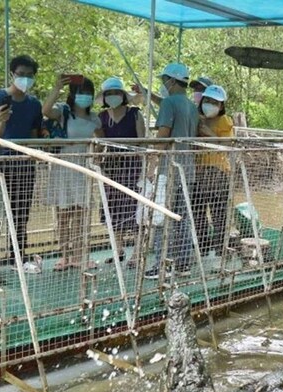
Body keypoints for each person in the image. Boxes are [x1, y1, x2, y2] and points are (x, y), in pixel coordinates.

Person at [144, 62, 199, 279]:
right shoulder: (190, 106)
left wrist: (152, 162)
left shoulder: (169, 103)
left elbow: (164, 134)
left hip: (169, 168)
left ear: (172, 81)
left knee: (160, 218)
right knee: (182, 217)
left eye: (164, 80)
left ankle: (161, 265)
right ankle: (184, 264)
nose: (162, 84)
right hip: (187, 167)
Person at [42, 75, 103, 270]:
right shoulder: (63, 111)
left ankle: (78, 255)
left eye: (88, 93)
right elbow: (45, 111)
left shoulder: (94, 118)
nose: (84, 96)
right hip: (62, 167)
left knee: (80, 214)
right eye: (80, 92)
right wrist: (57, 88)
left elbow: (101, 139)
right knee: (63, 214)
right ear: (73, 94)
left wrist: (98, 154)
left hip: (82, 168)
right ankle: (64, 256)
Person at [0, 55, 44, 274]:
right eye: (21, 74)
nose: (25, 79)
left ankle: (18, 257)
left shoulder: (34, 104)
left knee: (20, 213)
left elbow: (34, 133)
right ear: (12, 74)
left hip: (24, 164)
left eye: (30, 75)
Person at [98, 76, 145, 264]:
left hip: (132, 166)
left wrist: (145, 168)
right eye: (108, 94)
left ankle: (137, 253)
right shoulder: (101, 117)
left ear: (123, 95)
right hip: (110, 168)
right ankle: (118, 250)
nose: (113, 96)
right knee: (113, 208)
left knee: (134, 209)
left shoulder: (134, 114)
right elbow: (99, 142)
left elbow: (142, 140)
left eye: (116, 93)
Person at [194, 84, 234, 261]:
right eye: (207, 100)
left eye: (214, 102)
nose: (209, 104)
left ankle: (220, 249)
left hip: (217, 172)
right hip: (198, 171)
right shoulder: (197, 118)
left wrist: (207, 133)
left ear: (221, 106)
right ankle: (202, 247)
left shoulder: (225, 121)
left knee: (219, 214)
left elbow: (227, 145)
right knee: (198, 213)